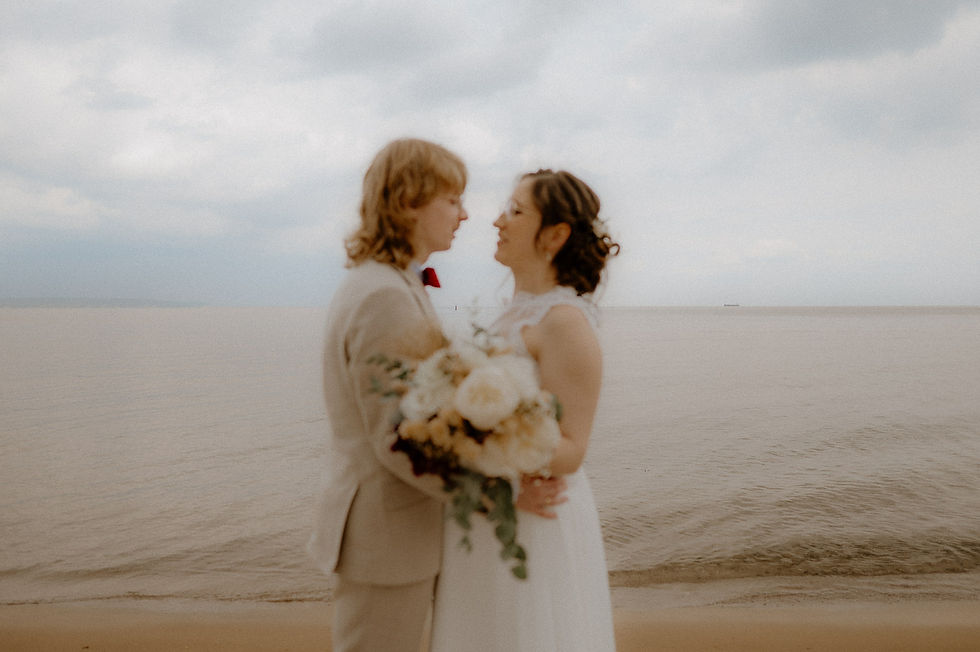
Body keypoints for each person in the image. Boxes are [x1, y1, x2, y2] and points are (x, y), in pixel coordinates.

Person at [307, 139, 564, 652]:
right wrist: (503, 495)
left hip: (390, 535)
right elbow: (399, 438)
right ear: (407, 202)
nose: (465, 215)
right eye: (452, 200)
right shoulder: (383, 295)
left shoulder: (392, 284)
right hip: (385, 540)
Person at [430, 169, 620, 651]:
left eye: (515, 212)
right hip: (494, 504)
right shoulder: (510, 314)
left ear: (555, 235)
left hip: (536, 515)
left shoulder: (565, 324)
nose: (497, 221)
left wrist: (467, 437)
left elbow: (571, 450)